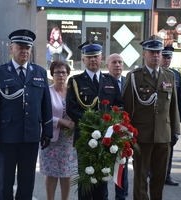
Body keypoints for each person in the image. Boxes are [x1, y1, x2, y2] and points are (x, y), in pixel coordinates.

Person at [0, 29, 53, 200]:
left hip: (30, 136)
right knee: (4, 182)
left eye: (27, 47)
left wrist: (47, 131)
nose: (25, 51)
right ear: (11, 48)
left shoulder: (39, 72)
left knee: (27, 182)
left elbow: (46, 105)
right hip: (7, 136)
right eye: (20, 47)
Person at [122, 35, 180, 200]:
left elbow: (173, 106)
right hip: (141, 134)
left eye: (158, 52)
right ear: (144, 55)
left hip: (164, 134)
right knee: (140, 178)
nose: (156, 56)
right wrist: (128, 133)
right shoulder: (134, 76)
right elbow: (127, 106)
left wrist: (175, 130)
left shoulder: (169, 76)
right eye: (152, 52)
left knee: (159, 177)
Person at [66, 40, 124, 200]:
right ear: (83, 59)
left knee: (102, 177)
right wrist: (91, 124)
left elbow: (119, 105)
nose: (92, 60)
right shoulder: (75, 81)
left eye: (96, 57)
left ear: (101, 58)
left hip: (107, 137)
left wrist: (109, 123)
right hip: (85, 137)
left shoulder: (110, 81)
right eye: (89, 57)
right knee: (85, 178)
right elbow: (72, 108)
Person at [40, 60, 77, 200]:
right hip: (51, 138)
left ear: (68, 74)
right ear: (52, 74)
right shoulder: (47, 92)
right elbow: (42, 115)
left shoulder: (72, 92)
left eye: (63, 72)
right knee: (51, 173)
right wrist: (61, 121)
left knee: (67, 173)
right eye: (57, 72)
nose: (60, 75)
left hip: (69, 140)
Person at [160, 46, 181, 186]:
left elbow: (180, 96)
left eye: (169, 57)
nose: (167, 60)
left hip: (171, 117)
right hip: (158, 117)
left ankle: (167, 174)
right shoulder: (156, 73)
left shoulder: (175, 74)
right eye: (164, 57)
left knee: (170, 146)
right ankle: (152, 173)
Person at [105, 53, 128, 200]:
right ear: (107, 66)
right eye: (114, 62)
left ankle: (122, 197)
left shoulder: (129, 82)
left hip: (125, 131)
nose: (117, 65)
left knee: (122, 166)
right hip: (106, 130)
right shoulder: (103, 81)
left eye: (120, 62)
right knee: (104, 166)